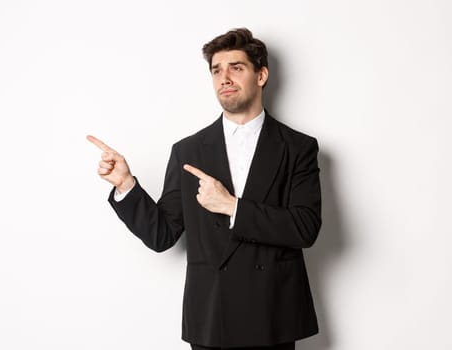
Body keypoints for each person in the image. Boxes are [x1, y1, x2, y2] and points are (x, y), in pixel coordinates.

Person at [87, 28, 321, 349]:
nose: (224, 77)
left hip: (273, 315)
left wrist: (231, 207)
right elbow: (162, 235)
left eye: (236, 67)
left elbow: (305, 228)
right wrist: (126, 185)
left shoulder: (297, 147)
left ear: (261, 75)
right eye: (216, 70)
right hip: (212, 317)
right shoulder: (188, 151)